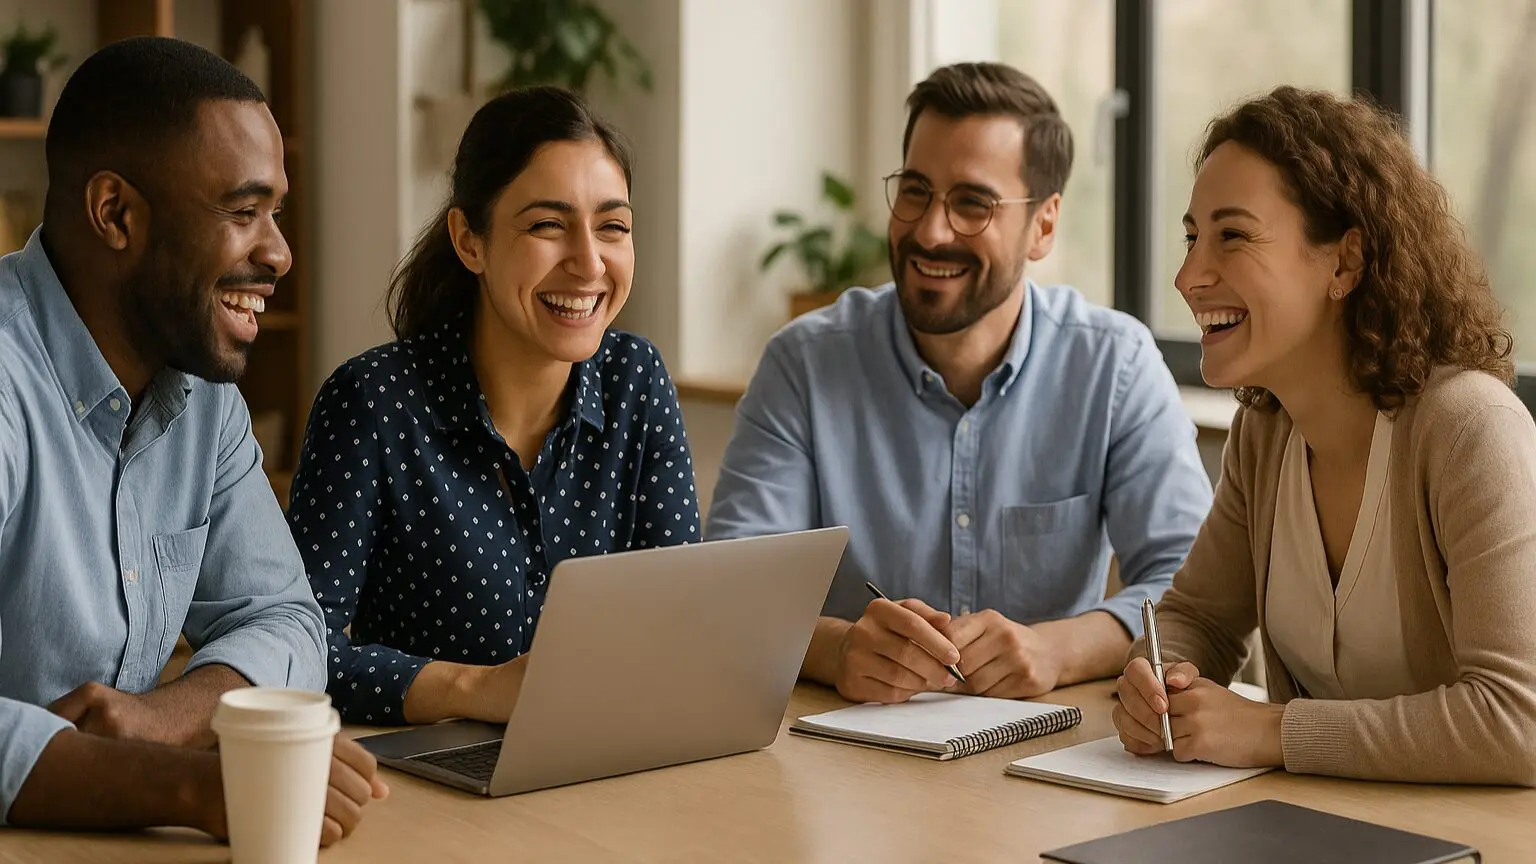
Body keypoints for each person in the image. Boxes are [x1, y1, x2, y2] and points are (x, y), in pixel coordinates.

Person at [705, 62, 1213, 705]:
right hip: (841, 761)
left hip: (1047, 758)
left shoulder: (1115, 366)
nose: (930, 229)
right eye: (915, 191)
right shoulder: (805, 365)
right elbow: (733, 591)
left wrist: (1057, 649)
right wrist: (837, 650)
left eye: (972, 203)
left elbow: (1190, 591)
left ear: (1045, 225)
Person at [0, 37, 386, 839]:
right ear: (117, 214)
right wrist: (191, 787)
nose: (279, 252)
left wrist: (159, 720)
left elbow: (285, 619)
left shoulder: (201, 391)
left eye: (275, 212)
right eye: (244, 213)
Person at [1113, 85, 1536, 786]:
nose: (1188, 276)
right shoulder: (1265, 431)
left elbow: (1519, 721)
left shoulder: (1470, 431)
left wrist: (1276, 731)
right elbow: (1199, 619)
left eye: (1233, 235)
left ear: (1344, 263)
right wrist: (1156, 681)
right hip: (1311, 832)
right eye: (1192, 238)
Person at [288, 86, 699, 727]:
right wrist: (476, 690)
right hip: (419, 789)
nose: (589, 262)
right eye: (546, 225)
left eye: (612, 226)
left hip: (602, 765)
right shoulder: (371, 404)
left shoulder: (637, 383)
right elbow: (296, 651)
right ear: (469, 240)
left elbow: (680, 618)